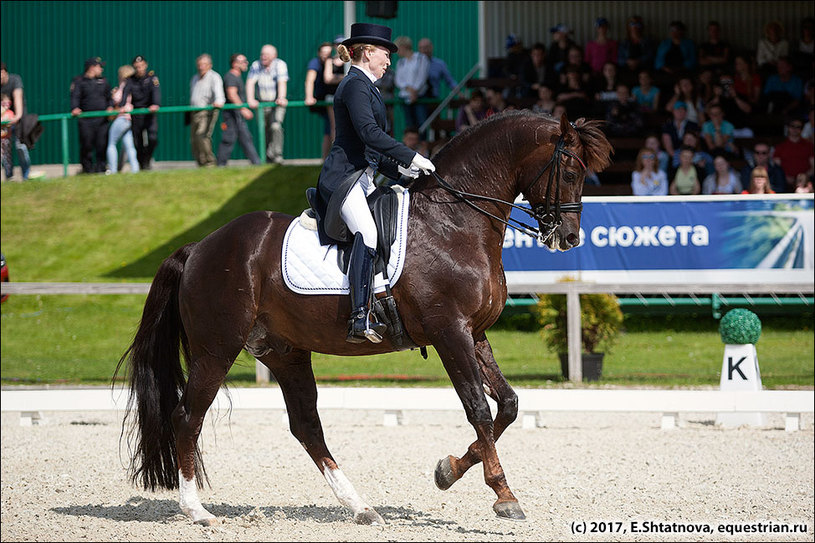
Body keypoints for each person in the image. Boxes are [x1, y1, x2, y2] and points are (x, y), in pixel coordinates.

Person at [312, 23, 435, 344]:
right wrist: (411, 156)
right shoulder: (354, 85)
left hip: (363, 176)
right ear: (367, 52)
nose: (389, 61)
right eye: (385, 54)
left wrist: (403, 173)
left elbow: (371, 151)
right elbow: (370, 134)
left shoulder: (367, 87)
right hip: (344, 179)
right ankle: (358, 316)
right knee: (367, 233)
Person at [216, 53, 261, 167]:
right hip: (231, 115)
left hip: (237, 115)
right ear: (235, 64)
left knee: (246, 138)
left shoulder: (237, 77)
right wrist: (243, 109)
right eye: (243, 61)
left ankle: (256, 163)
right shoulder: (231, 77)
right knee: (228, 139)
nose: (246, 63)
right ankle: (220, 165)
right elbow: (232, 94)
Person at [246, 44, 289, 164]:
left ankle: (277, 155)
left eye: (266, 55)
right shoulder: (256, 65)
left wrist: (281, 97)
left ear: (274, 56)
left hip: (276, 103)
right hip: (262, 104)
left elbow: (282, 82)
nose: (263, 57)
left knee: (275, 126)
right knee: (263, 130)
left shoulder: (280, 64)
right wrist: (250, 99)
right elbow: (250, 82)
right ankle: (265, 157)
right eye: (262, 54)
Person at [70, 57, 113, 174]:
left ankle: (101, 168)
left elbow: (109, 98)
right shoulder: (79, 81)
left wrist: (110, 107)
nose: (102, 69)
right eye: (100, 67)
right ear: (92, 67)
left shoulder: (104, 81)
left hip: (102, 120)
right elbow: (75, 97)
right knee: (86, 144)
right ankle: (87, 169)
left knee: (101, 144)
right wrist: (75, 108)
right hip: (86, 120)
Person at [121, 55, 160, 171]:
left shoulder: (152, 79)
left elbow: (156, 93)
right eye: (137, 67)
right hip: (136, 114)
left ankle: (147, 159)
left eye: (141, 66)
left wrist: (155, 104)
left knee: (153, 138)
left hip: (149, 114)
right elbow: (125, 94)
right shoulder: (130, 80)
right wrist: (123, 106)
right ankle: (142, 164)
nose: (140, 69)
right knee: (137, 142)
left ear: (146, 66)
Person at [189, 53, 225, 168]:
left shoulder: (214, 77)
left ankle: (210, 162)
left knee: (202, 135)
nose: (201, 67)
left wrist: (219, 101)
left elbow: (219, 94)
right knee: (194, 139)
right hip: (194, 112)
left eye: (204, 64)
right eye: (199, 65)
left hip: (207, 112)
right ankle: (200, 163)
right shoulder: (195, 78)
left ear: (209, 65)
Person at [394, 36, 429, 140]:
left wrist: (415, 90)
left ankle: (423, 143)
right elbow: (398, 80)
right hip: (405, 96)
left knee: (422, 122)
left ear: (404, 47)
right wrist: (409, 89)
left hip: (420, 96)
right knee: (409, 123)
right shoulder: (400, 62)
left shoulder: (421, 58)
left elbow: (422, 76)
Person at [0, 62, 31, 181]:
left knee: (21, 147)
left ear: (4, 72)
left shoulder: (15, 80)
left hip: (18, 120)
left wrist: (16, 117)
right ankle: (9, 177)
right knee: (6, 151)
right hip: (3, 122)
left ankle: (26, 176)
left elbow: (18, 99)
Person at [305, 42, 336, 160]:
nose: (325, 56)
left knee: (330, 129)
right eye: (323, 53)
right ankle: (326, 158)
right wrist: (309, 96)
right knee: (331, 128)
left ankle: (326, 158)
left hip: (330, 98)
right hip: (322, 99)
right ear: (319, 53)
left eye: (328, 53)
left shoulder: (333, 63)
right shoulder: (315, 63)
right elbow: (309, 80)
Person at [106, 65, 139, 174]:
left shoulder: (124, 85)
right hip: (129, 118)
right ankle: (135, 169)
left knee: (111, 143)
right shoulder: (134, 85)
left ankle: (113, 170)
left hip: (122, 117)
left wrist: (113, 94)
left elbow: (118, 100)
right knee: (129, 146)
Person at [772, 117, 815, 189]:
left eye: (798, 127)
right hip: (785, 183)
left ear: (801, 129)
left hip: (806, 184)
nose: (795, 129)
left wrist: (804, 178)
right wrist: (786, 177)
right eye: (792, 126)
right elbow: (777, 167)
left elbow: (813, 166)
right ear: (788, 128)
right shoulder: (780, 147)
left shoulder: (809, 146)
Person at [1, 93, 14, 180]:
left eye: (8, 103)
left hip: (6, 139)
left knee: (7, 157)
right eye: (4, 104)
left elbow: (11, 121)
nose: (6, 105)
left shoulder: (10, 113)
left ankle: (9, 176)